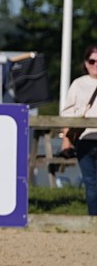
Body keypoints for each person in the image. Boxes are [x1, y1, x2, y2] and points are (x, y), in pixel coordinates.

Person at [59, 43, 97, 216]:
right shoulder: (78, 84)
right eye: (92, 60)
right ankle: (93, 220)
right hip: (85, 139)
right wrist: (66, 138)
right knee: (91, 183)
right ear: (86, 63)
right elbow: (66, 113)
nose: (95, 64)